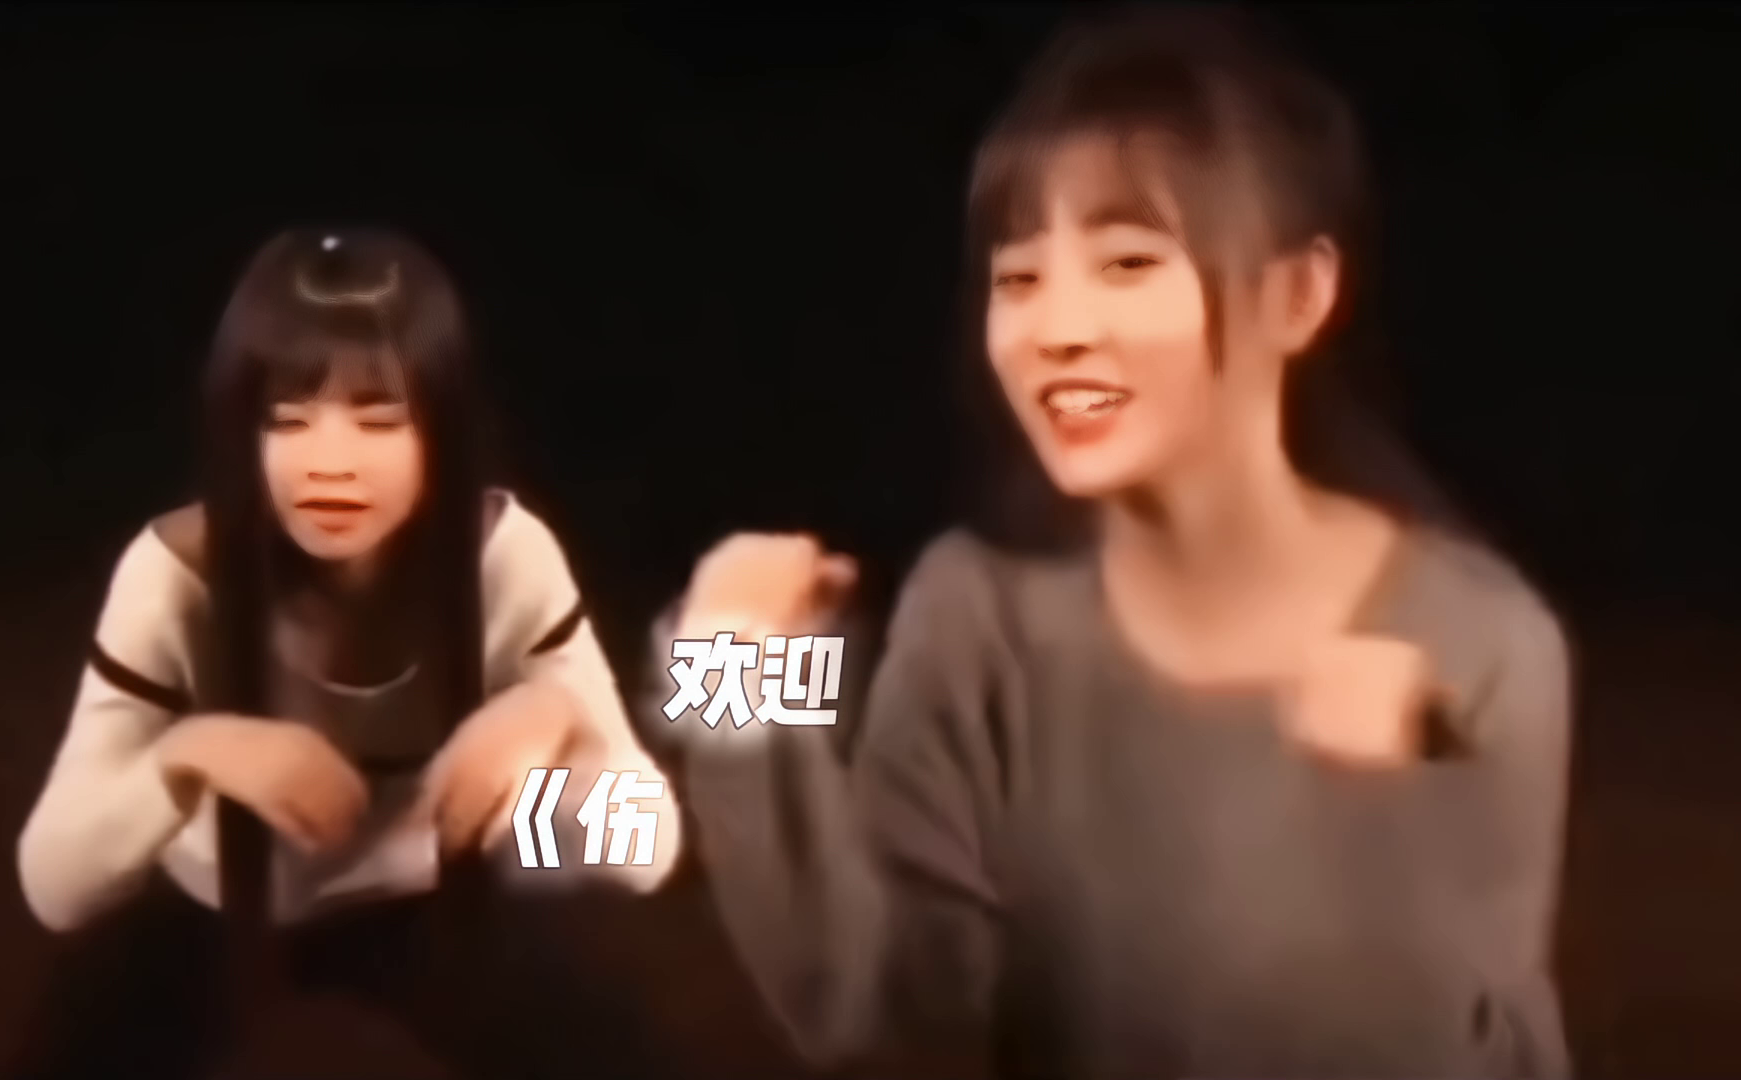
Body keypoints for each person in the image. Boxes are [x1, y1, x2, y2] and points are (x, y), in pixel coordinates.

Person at [648, 9, 1572, 1079]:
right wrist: (735, 676)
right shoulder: (977, 618)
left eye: (1128, 263)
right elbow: (877, 1020)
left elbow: (1467, 1045)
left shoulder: (1482, 642)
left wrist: (1385, 816)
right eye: (1019, 279)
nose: (1057, 330)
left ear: (1297, 295)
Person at [12, 226, 680, 1078]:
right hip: (213, 915)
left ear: (441, 429)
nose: (329, 463)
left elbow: (649, 851)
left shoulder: (503, 558)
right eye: (288, 419)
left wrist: (556, 720)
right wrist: (192, 754)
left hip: (428, 909)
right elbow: (56, 883)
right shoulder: (177, 575)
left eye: (378, 419)